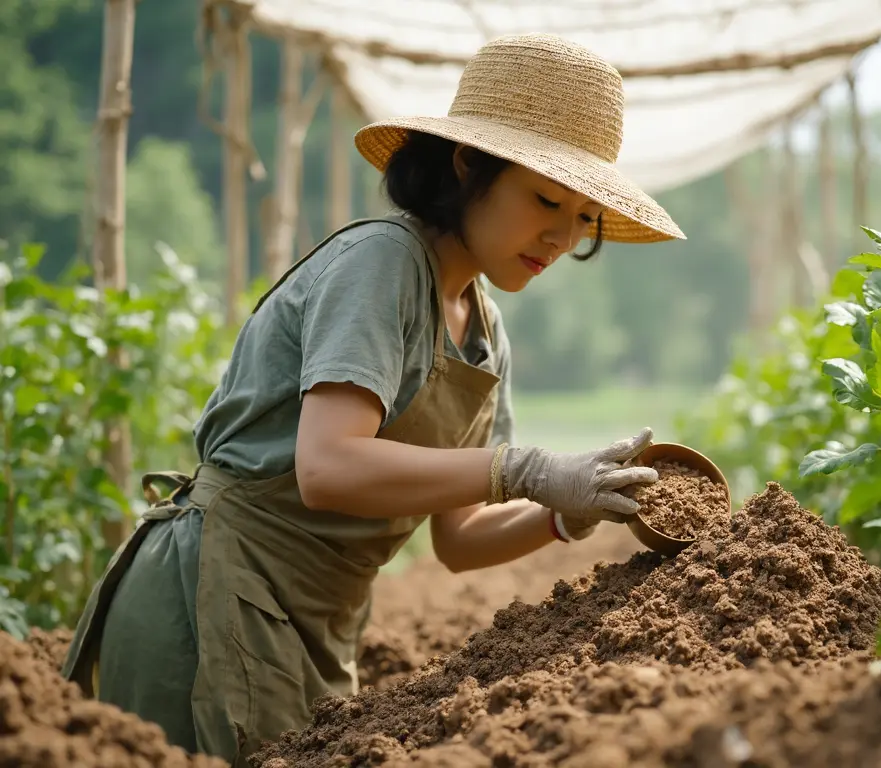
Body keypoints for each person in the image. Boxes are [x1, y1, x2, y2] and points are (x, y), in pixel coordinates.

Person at [60, 32, 686, 766]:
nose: (559, 233)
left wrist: (564, 511)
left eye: (583, 216)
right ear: (466, 167)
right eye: (546, 198)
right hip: (218, 589)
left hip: (319, 618)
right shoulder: (383, 264)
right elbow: (329, 468)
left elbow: (459, 537)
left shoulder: (484, 328)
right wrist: (523, 467)